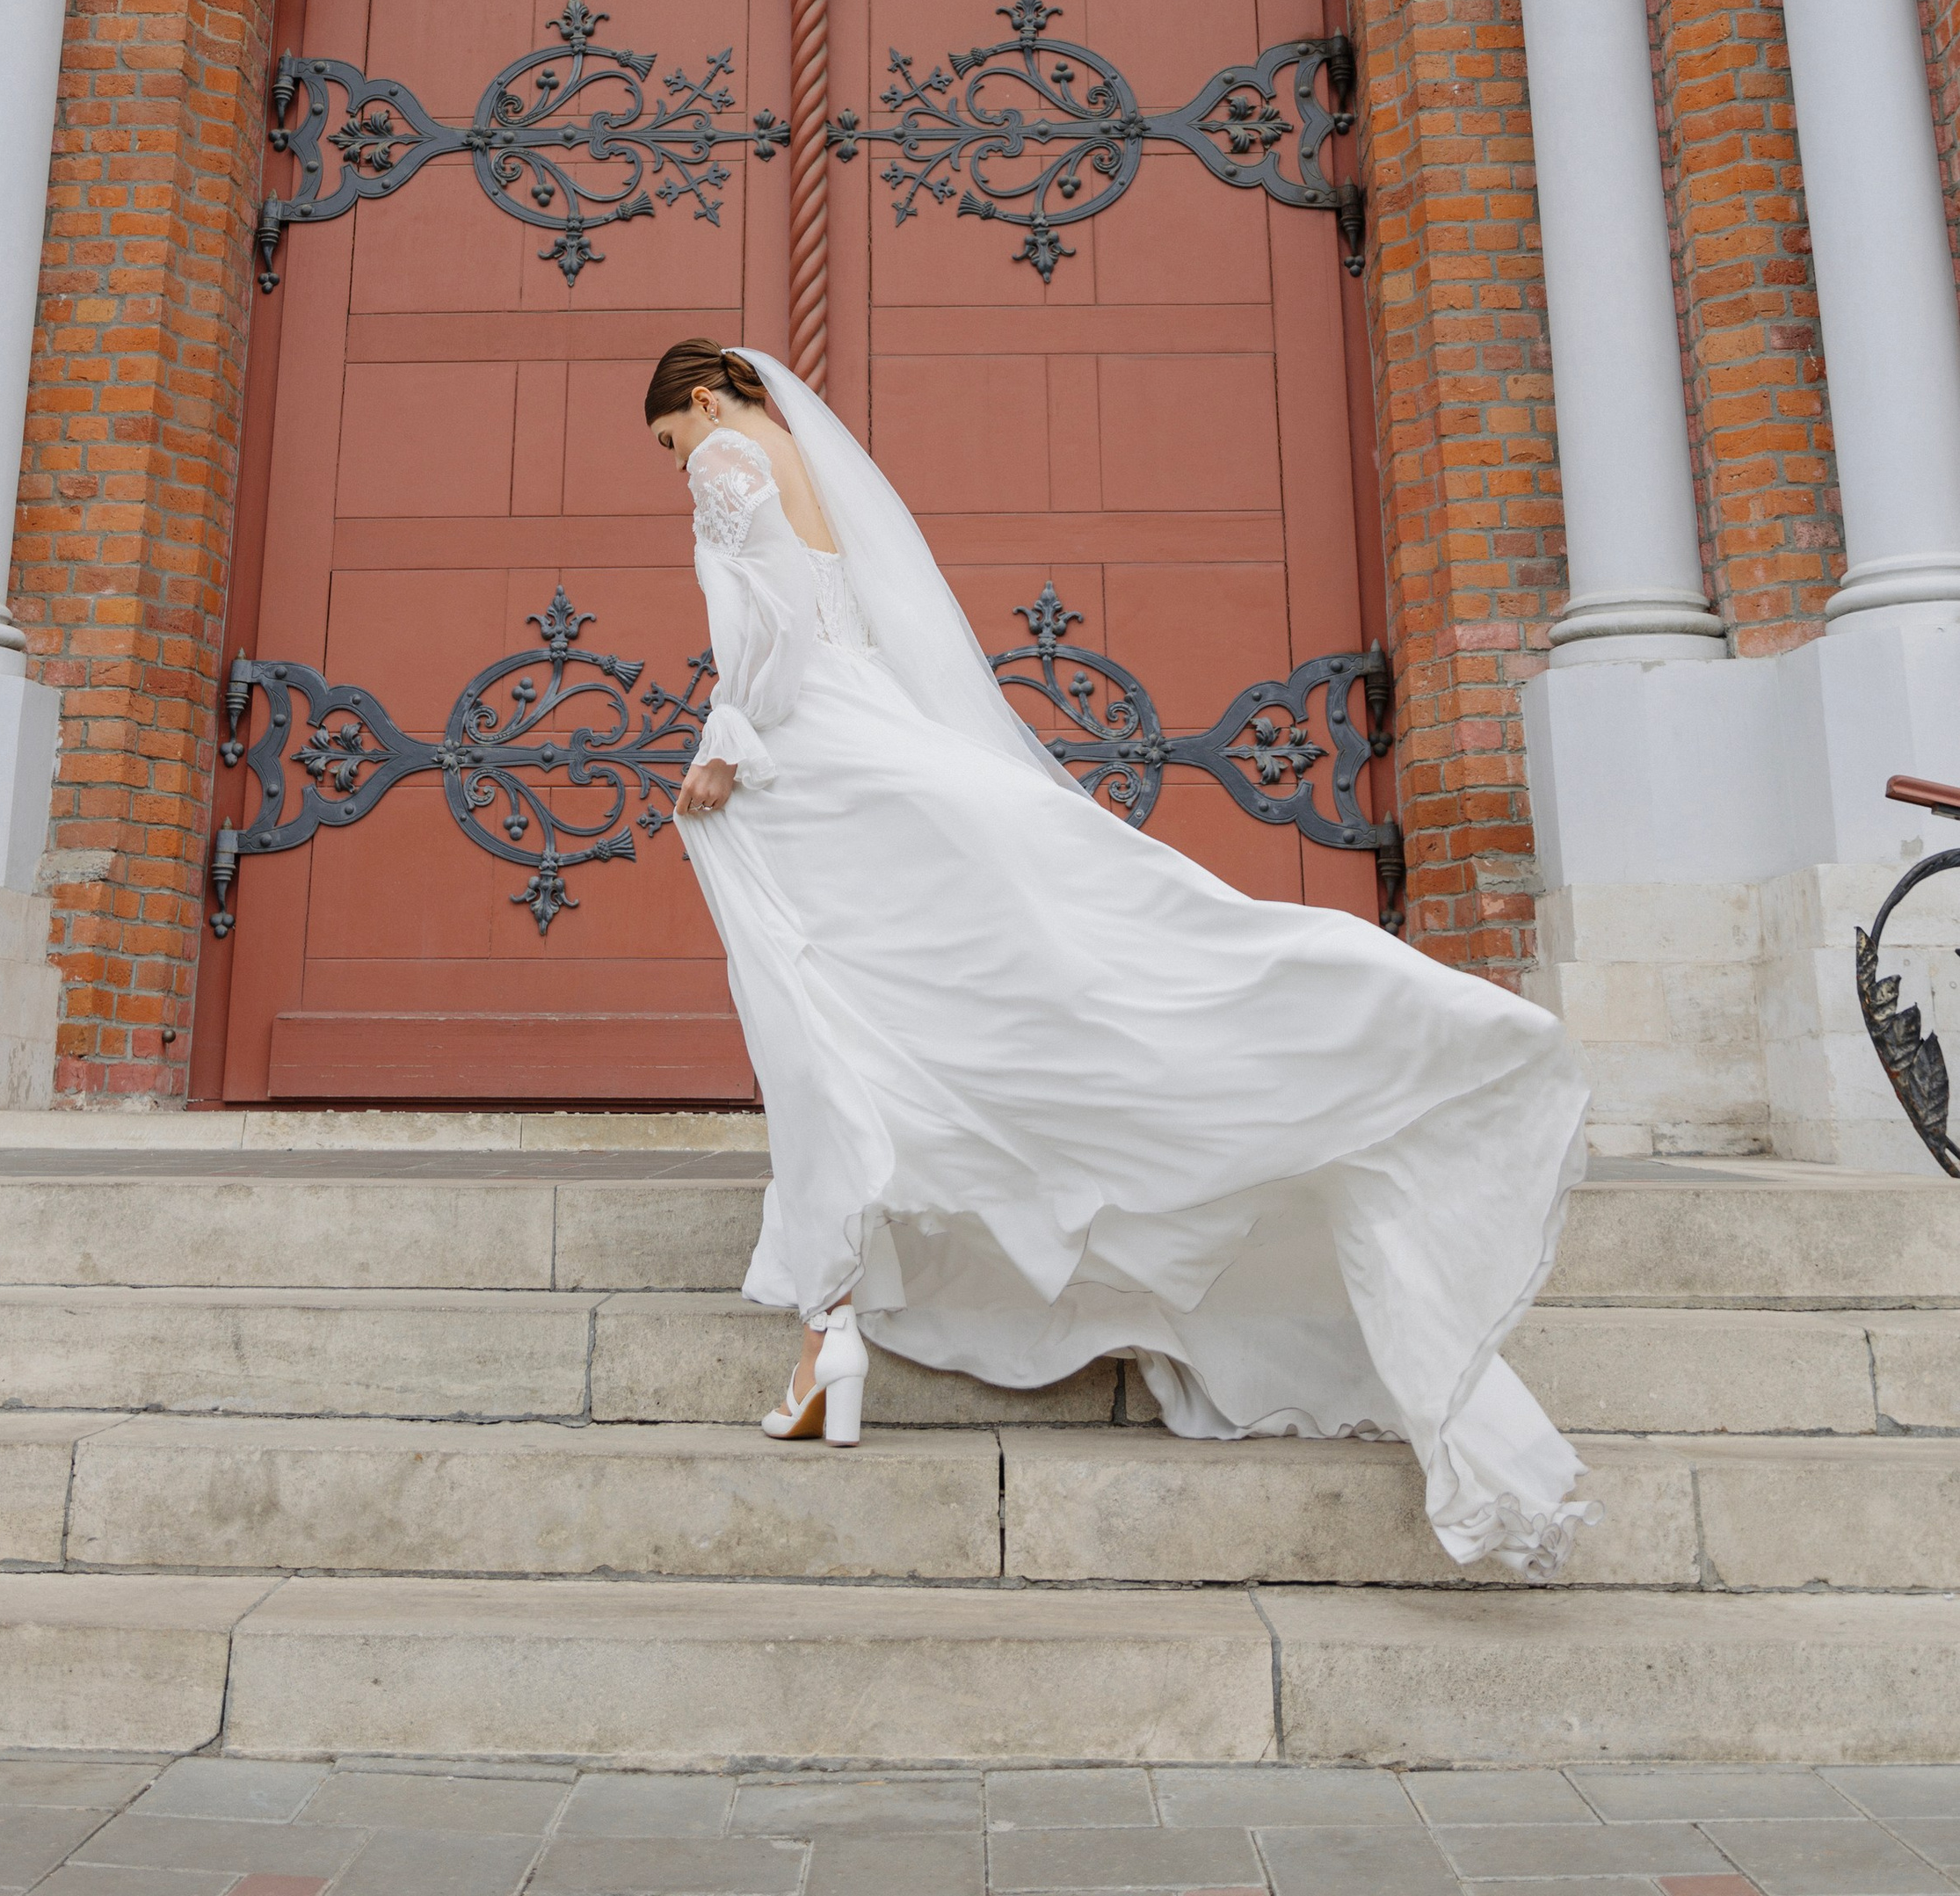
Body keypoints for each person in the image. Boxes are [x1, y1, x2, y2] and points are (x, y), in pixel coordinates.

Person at [644, 336, 1597, 1578]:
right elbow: (841, 611)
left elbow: (764, 626)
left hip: (806, 745)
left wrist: (723, 741)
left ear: (703, 399)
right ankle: (837, 1319)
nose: (677, 468)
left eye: (667, 442)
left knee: (823, 1010)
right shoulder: (804, 458)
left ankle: (830, 1330)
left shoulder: (726, 451)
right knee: (922, 989)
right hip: (870, 722)